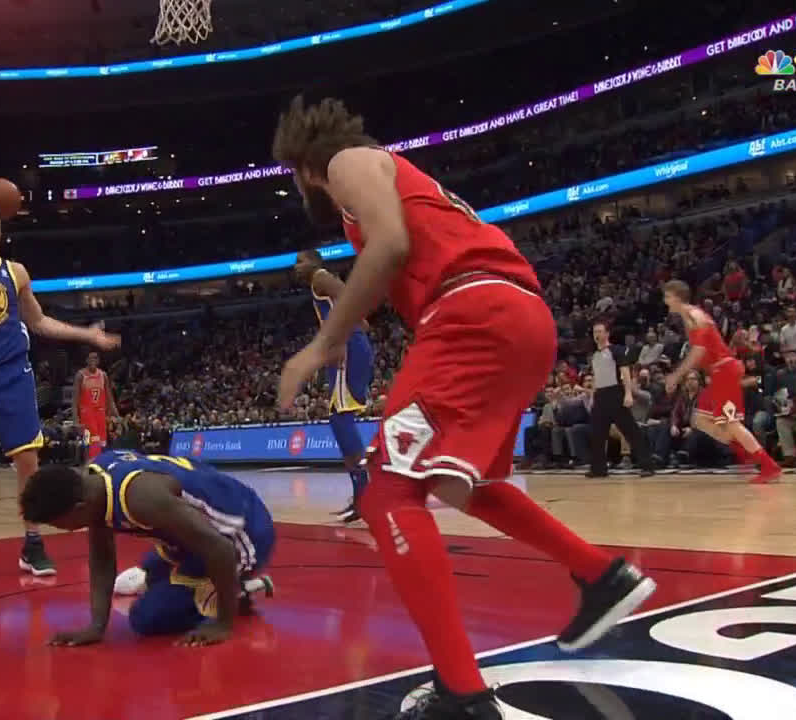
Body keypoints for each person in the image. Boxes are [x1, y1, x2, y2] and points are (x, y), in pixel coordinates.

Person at [271, 96, 655, 720]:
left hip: (473, 311)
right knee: (460, 484)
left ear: (302, 163)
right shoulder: (388, 187)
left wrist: (321, 345)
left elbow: (390, 246)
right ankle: (600, 574)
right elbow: (391, 263)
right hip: (514, 317)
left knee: (387, 493)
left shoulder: (347, 163)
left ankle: (463, 694)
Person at [0, 205, 120, 584]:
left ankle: (33, 542)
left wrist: (86, 334)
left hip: (13, 375)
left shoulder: (16, 272)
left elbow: (39, 321)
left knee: (28, 460)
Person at [19, 450, 275, 647]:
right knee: (150, 571)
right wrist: (96, 627)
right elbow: (101, 557)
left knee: (147, 618)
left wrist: (223, 624)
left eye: (59, 524)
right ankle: (206, 585)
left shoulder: (142, 498)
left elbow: (220, 549)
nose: (64, 530)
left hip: (242, 534)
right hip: (193, 533)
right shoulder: (94, 484)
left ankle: (237, 592)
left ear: (78, 509)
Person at [661, 280, 781, 483]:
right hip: (718, 373)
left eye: (667, 296)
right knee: (700, 420)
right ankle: (745, 454)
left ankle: (767, 465)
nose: (665, 301)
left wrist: (676, 375)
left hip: (724, 371)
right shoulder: (689, 316)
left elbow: (699, 351)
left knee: (731, 424)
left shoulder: (694, 315)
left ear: (677, 296)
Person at [293, 248, 375, 523]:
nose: (296, 266)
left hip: (347, 347)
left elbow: (350, 295)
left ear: (315, 262)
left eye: (300, 261)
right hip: (345, 346)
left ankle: (365, 494)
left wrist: (349, 330)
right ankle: (362, 493)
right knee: (339, 419)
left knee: (341, 419)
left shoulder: (320, 276)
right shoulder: (318, 284)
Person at [585, 321, 654, 478]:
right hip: (600, 395)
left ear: (607, 333)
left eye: (600, 331)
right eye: (595, 332)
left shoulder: (616, 351)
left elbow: (625, 372)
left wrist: (628, 393)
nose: (597, 334)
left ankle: (647, 465)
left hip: (615, 393)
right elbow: (596, 376)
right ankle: (598, 469)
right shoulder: (594, 355)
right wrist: (593, 396)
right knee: (597, 433)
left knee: (630, 431)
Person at [73, 351, 117, 460]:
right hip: (87, 413)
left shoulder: (103, 375)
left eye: (95, 358)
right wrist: (75, 420)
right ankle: (90, 464)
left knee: (101, 442)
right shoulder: (80, 375)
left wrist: (116, 413)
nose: (93, 360)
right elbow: (75, 400)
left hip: (100, 413)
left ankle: (96, 463)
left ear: (98, 361)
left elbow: (109, 396)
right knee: (92, 440)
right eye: (91, 358)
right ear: (86, 360)